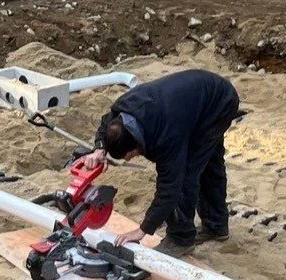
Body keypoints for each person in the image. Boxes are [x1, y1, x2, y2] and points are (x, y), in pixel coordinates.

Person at [86, 70, 241, 255]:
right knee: (207, 163)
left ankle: (180, 238)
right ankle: (216, 226)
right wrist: (100, 148)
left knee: (187, 173)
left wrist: (143, 230)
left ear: (137, 144)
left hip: (218, 105)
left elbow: (170, 188)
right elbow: (106, 123)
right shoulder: (124, 108)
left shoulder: (166, 135)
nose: (129, 160)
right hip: (195, 99)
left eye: (130, 155)